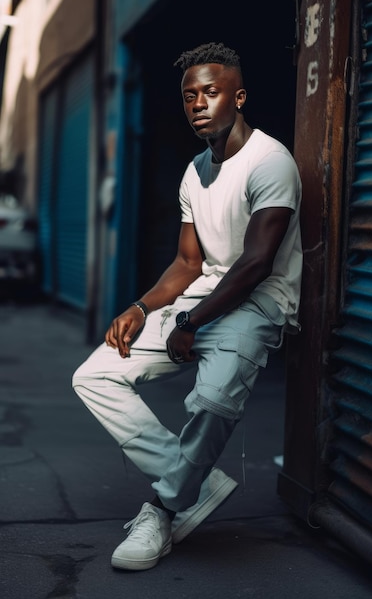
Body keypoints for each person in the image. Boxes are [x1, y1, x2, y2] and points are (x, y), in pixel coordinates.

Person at [72, 42, 302, 571]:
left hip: (257, 305)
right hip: (202, 299)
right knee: (95, 375)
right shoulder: (195, 170)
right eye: (189, 96)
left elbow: (257, 263)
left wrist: (190, 323)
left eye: (212, 92)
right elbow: (186, 263)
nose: (199, 103)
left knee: (212, 401)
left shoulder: (271, 162)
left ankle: (164, 506)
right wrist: (139, 306)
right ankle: (191, 480)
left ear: (238, 97)